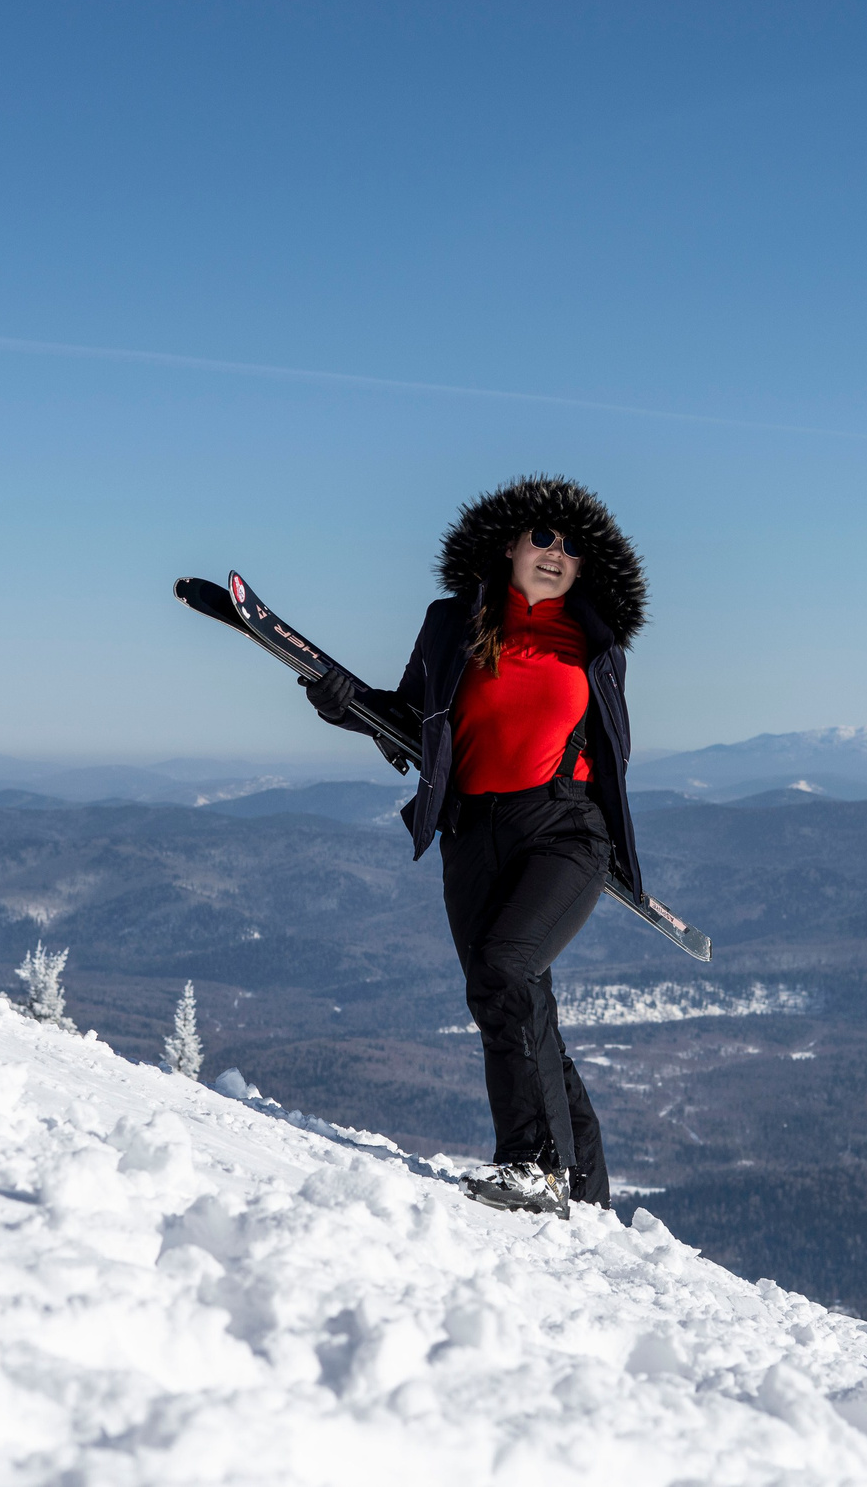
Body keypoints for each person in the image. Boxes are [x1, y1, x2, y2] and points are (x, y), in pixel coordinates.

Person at [299, 476, 648, 1219]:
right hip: (472, 836)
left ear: (587, 568)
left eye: (572, 546)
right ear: (512, 545)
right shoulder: (451, 622)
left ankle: (534, 1163)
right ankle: (586, 1194)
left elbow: (615, 749)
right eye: (543, 537)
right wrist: (339, 703)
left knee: (504, 966)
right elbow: (409, 717)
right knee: (519, 1003)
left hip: (563, 828)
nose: (556, 553)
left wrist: (621, 849)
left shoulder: (596, 643)